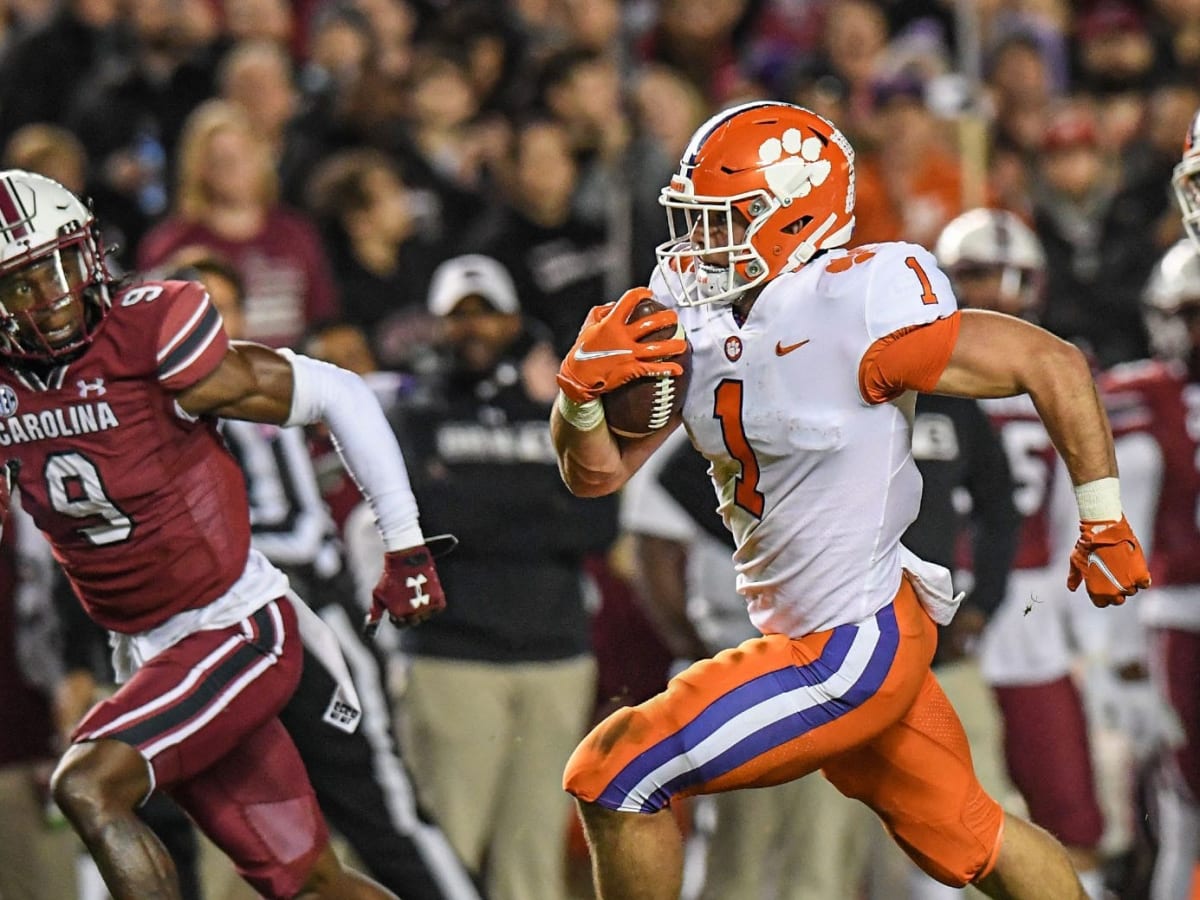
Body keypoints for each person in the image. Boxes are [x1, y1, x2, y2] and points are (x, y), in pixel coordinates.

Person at [548, 101, 1152, 900]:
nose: (701, 242)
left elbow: (1054, 364)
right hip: (810, 627)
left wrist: (1102, 520)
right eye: (695, 220)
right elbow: (595, 475)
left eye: (725, 219)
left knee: (615, 771)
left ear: (796, 216)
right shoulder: (688, 309)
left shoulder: (856, 303)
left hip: (848, 643)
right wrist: (579, 400)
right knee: (975, 835)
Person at [0, 168, 449, 899]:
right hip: (146, 649)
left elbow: (337, 390)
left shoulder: (149, 332)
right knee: (311, 882)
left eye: (54, 268)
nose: (47, 299)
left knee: (87, 787)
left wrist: (405, 539)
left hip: (232, 626)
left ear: (88, 254)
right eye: (19, 285)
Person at [161, 250, 484, 900]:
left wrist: (404, 545)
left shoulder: (250, 378)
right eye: (204, 309)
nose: (218, 324)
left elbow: (360, 396)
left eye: (228, 307)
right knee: (239, 850)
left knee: (379, 813)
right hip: (203, 634)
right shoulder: (143, 400)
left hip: (296, 617)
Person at [355, 253, 611, 900]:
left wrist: (474, 504)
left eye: (486, 314)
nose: (474, 329)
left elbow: (596, 523)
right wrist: (535, 501)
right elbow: (421, 518)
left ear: (513, 319)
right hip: (452, 658)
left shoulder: (558, 405)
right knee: (443, 854)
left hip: (555, 657)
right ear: (434, 326)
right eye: (457, 317)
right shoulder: (409, 410)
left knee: (533, 866)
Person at [933, 207, 1115, 897]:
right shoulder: (916, 365)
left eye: (1010, 276)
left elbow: (1084, 494)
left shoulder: (1062, 368)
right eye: (976, 273)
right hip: (939, 592)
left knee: (1065, 801)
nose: (996, 291)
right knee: (946, 814)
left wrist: (1091, 617)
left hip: (1036, 599)